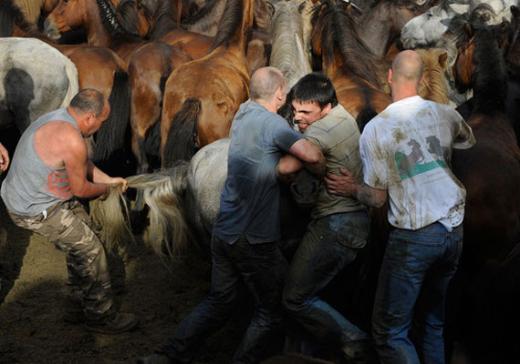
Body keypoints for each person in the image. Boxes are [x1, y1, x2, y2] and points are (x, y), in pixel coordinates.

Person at [138, 67, 325, 364]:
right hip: (254, 237)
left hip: (224, 231)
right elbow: (313, 155)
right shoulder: (273, 125)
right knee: (272, 309)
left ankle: (167, 355)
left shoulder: (243, 113)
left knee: (219, 300)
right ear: (280, 95)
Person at [325, 50, 475, 364]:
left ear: (389, 77)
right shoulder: (445, 113)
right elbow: (466, 142)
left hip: (415, 236)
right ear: (422, 81)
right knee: (433, 323)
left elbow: (377, 198)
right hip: (454, 231)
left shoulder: (377, 129)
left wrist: (352, 187)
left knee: (389, 332)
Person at [1, 89, 138, 334]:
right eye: (101, 122)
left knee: (88, 232)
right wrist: (106, 191)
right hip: (33, 208)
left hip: (42, 195)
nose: (100, 128)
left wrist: (108, 179)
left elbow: (82, 163)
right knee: (90, 249)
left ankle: (78, 300)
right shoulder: (72, 139)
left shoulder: (60, 117)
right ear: (89, 118)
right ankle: (101, 318)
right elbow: (82, 190)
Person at [279, 73, 372, 361]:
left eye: (306, 112)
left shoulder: (320, 133)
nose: (298, 118)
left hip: (336, 225)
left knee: (294, 297)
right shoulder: (344, 115)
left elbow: (285, 168)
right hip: (356, 221)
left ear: (326, 107)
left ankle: (356, 342)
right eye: (294, 111)